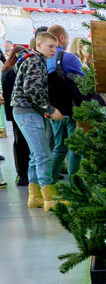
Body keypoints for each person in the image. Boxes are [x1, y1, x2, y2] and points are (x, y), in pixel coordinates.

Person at [10, 32, 63, 210]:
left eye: (55, 47)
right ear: (38, 45)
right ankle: (49, 198)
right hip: (28, 112)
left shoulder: (31, 58)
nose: (54, 50)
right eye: (50, 46)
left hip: (26, 112)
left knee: (35, 156)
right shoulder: (34, 61)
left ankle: (35, 197)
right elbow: (31, 89)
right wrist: (49, 109)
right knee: (43, 155)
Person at [45, 25, 85, 181]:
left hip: (54, 111)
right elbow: (84, 82)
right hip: (72, 110)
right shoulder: (69, 58)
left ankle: (50, 181)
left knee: (59, 148)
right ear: (61, 38)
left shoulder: (45, 59)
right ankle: (76, 185)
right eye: (67, 38)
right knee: (76, 149)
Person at [1, 47, 29, 188]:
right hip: (19, 111)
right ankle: (23, 174)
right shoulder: (14, 72)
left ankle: (22, 173)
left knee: (19, 141)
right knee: (22, 143)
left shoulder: (6, 71)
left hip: (12, 112)